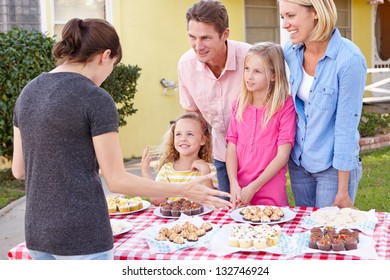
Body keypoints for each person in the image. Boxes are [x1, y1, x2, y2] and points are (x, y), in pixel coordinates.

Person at [11, 18, 231, 260]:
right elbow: (116, 180)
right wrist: (184, 189)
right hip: (83, 237)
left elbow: (19, 170)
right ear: (105, 56)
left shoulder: (28, 92)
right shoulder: (95, 98)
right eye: (113, 64)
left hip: (37, 234)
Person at [279, 0, 367, 208]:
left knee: (328, 234)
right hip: (299, 162)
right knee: (307, 234)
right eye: (283, 17)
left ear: (315, 13)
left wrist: (343, 190)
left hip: (332, 168)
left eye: (291, 16)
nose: (285, 24)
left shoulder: (349, 60)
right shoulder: (291, 52)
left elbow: (346, 127)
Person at [178, 0, 252, 197]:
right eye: (192, 37)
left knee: (263, 216)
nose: (198, 46)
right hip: (221, 153)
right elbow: (194, 114)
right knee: (228, 215)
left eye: (206, 38)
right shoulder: (186, 66)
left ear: (225, 34)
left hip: (256, 155)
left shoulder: (250, 58)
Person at [226, 42, 296, 208]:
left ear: (273, 75)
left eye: (257, 71)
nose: (249, 76)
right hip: (241, 191)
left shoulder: (285, 106)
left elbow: (282, 156)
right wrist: (234, 183)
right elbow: (231, 147)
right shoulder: (239, 104)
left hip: (270, 191)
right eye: (247, 69)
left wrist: (253, 187)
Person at [142, 112, 219, 206]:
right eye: (178, 134)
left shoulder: (209, 169)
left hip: (201, 220)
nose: (183, 138)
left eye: (189, 134)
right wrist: (146, 173)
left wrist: (205, 170)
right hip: (174, 220)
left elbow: (211, 201)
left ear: (203, 139)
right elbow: (157, 200)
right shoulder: (167, 170)